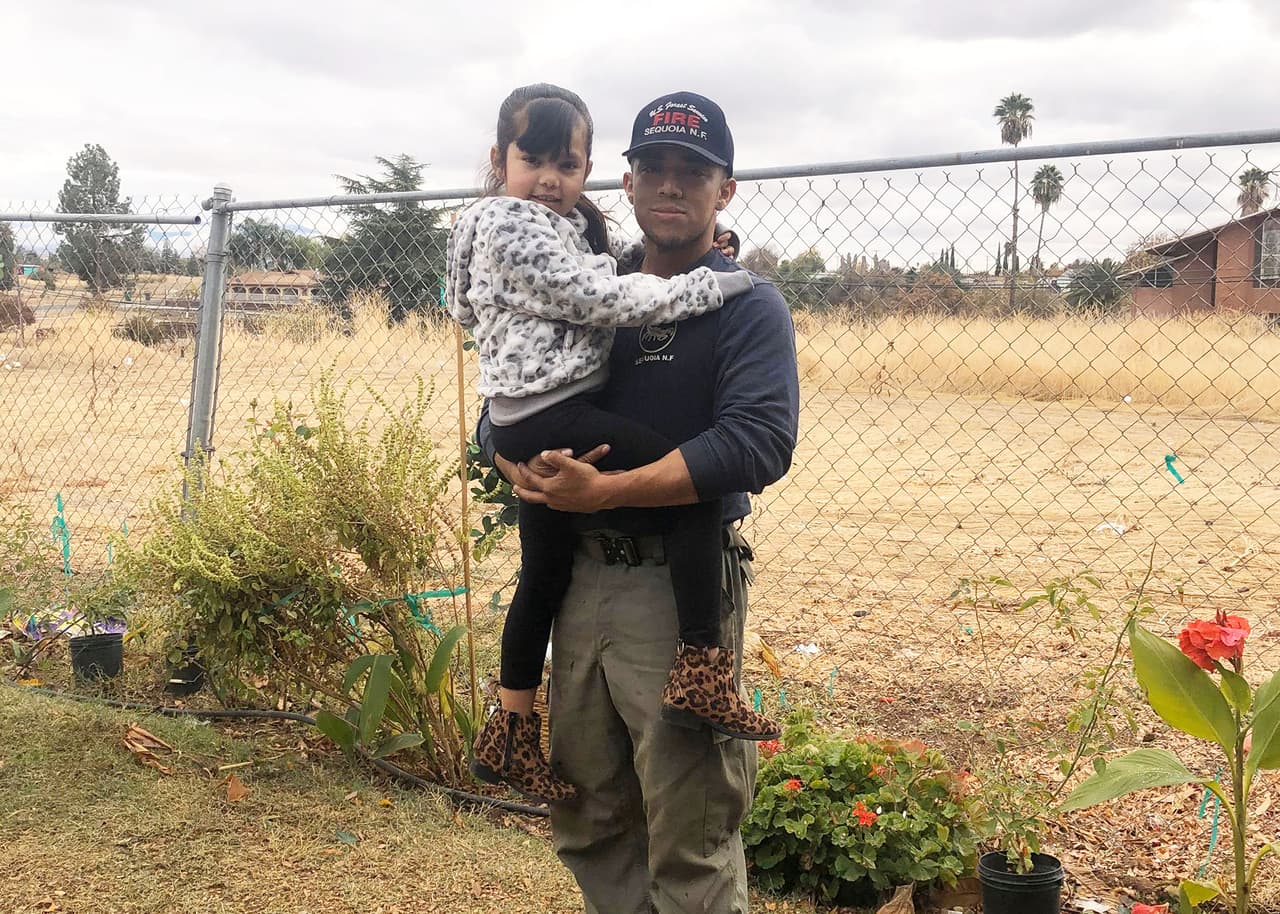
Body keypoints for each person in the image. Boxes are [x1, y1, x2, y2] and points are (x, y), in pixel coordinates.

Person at [483, 90, 799, 914]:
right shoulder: (589, 286)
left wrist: (607, 490)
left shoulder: (746, 302)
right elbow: (513, 383)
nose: (670, 185)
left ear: (724, 189)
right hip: (575, 585)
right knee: (588, 819)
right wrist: (501, 451)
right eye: (652, 167)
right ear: (622, 181)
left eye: (692, 172)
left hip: (675, 590)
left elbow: (758, 444)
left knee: (688, 838)